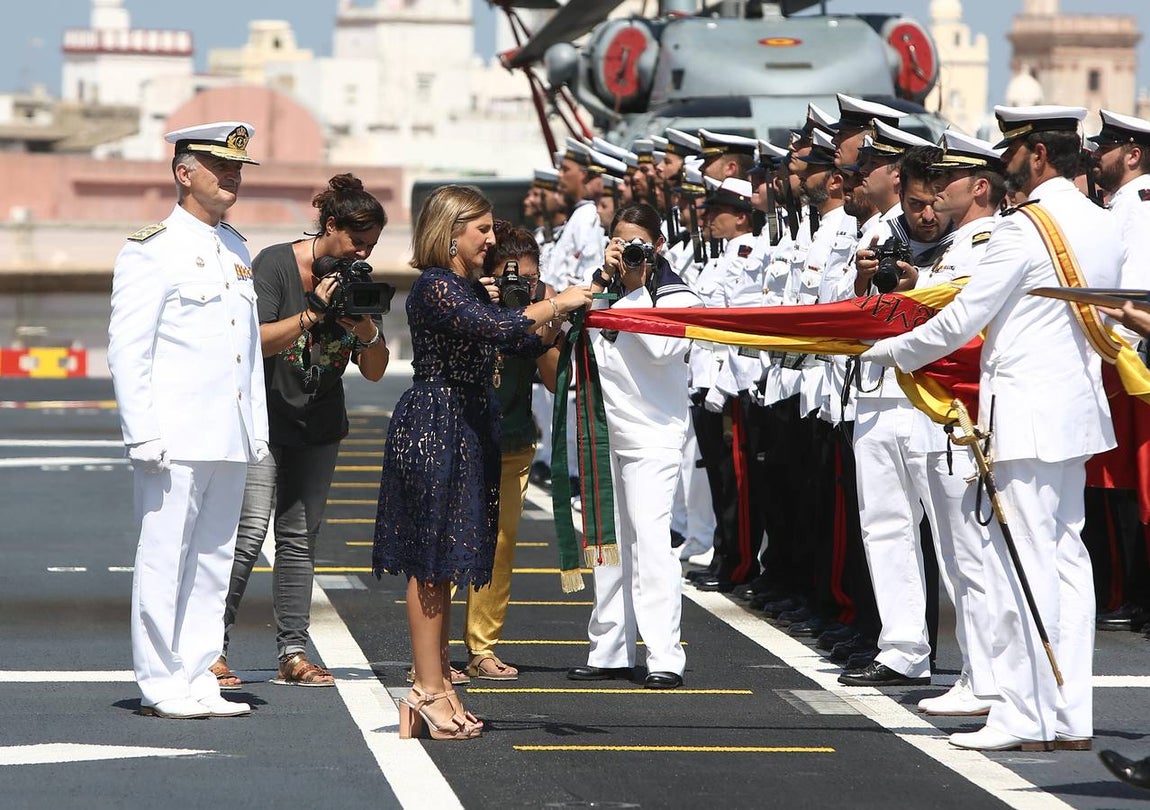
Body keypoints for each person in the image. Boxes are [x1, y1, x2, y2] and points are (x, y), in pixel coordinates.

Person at [862, 105, 1124, 751]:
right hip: (1075, 412)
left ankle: (1023, 716)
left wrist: (882, 350)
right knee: (1065, 560)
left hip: (1024, 416)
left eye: (1009, 151)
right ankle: (1069, 715)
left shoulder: (1021, 229)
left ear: (1035, 154)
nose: (999, 163)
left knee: (1020, 566)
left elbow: (962, 321)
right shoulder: (1100, 222)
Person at [373, 184, 592, 740]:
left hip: (466, 424)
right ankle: (426, 689)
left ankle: (440, 682)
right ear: (450, 234)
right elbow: (498, 331)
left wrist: (566, 311)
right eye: (483, 230)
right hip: (437, 423)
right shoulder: (436, 288)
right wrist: (553, 302)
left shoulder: (466, 289)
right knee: (431, 560)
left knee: (446, 561)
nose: (492, 240)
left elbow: (518, 343)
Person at [107, 120, 267, 720]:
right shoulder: (151, 248)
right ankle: (159, 681)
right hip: (173, 436)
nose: (231, 177)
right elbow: (129, 350)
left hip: (228, 434)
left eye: (237, 169)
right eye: (219, 166)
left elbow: (244, 349)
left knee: (214, 558)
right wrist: (142, 432)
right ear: (183, 172)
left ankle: (200, 673)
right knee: (163, 556)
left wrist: (257, 430)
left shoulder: (236, 247)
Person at [214, 173, 390, 690]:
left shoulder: (359, 280)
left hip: (319, 423)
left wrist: (365, 328)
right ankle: (210, 648)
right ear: (329, 226)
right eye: (357, 241)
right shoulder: (274, 263)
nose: (362, 253)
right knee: (246, 538)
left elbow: (376, 368)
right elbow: (256, 341)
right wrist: (313, 314)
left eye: (372, 246)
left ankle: (292, 652)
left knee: (298, 540)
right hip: (263, 420)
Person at [568, 202, 701, 688]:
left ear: (659, 247)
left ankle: (664, 655)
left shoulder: (678, 295)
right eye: (621, 242)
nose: (630, 252)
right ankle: (609, 649)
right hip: (607, 428)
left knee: (650, 545)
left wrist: (637, 287)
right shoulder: (600, 288)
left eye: (639, 244)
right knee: (607, 542)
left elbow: (662, 348)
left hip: (653, 435)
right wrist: (606, 283)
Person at [463, 221, 563, 681]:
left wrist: (542, 321)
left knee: (500, 546)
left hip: (514, 436)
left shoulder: (546, 300)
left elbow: (554, 378)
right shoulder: (466, 294)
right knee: (450, 545)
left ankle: (483, 647)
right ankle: (434, 651)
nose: (515, 286)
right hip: (463, 435)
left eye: (525, 277)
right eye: (508, 276)